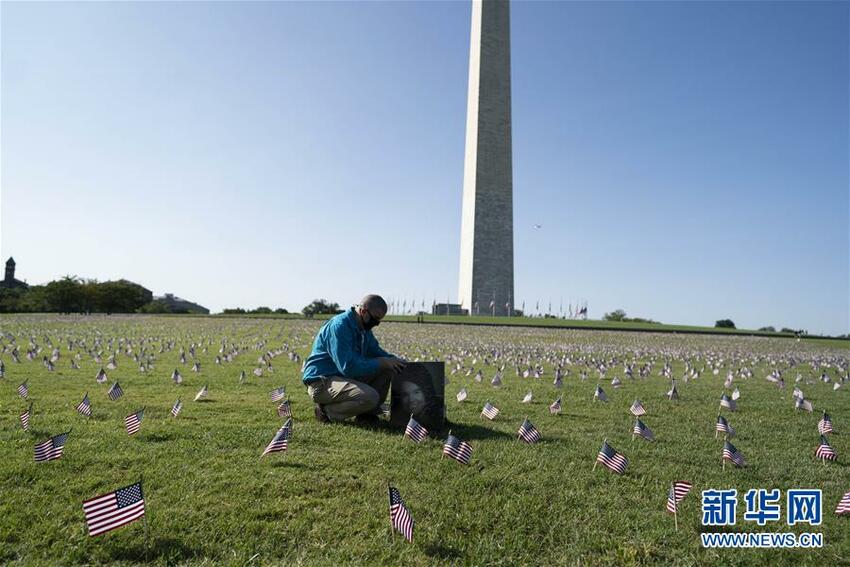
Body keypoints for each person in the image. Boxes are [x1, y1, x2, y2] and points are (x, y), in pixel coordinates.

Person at [302, 294, 405, 423]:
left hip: (340, 377)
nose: (377, 323)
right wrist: (382, 362)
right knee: (370, 397)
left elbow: (376, 352)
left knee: (388, 368)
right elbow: (348, 367)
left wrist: (395, 361)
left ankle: (367, 414)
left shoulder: (363, 328)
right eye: (375, 318)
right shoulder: (340, 326)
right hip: (322, 381)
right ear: (363, 311)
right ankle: (326, 412)